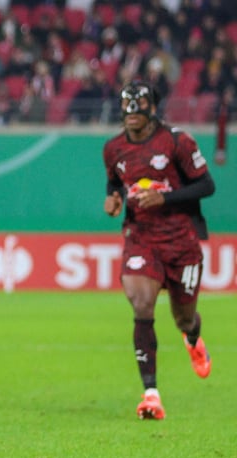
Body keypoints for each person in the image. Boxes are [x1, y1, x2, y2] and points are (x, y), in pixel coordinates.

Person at [103, 80, 215, 421]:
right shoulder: (113, 149)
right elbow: (114, 180)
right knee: (141, 303)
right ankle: (151, 394)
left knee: (183, 318)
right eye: (127, 105)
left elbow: (206, 185)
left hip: (181, 241)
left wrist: (164, 197)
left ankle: (192, 338)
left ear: (153, 108)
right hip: (141, 237)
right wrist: (114, 198)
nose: (132, 112)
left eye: (139, 105)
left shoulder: (177, 141)